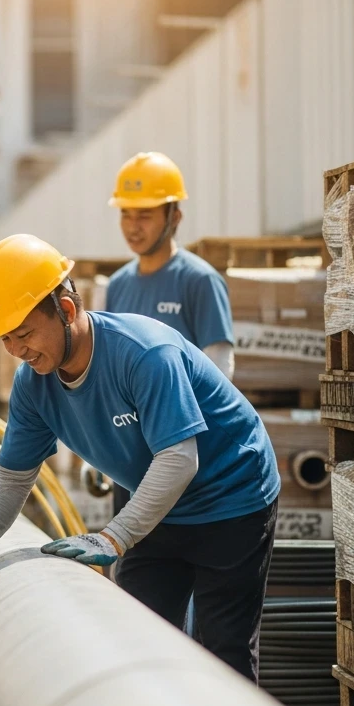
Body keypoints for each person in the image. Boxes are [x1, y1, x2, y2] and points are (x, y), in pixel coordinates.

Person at [0, 234, 279, 683]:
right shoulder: (34, 384)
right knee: (137, 641)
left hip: (231, 498)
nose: (16, 350)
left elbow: (179, 458)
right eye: (5, 339)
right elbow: (12, 475)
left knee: (222, 654)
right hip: (156, 506)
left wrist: (112, 538)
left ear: (67, 310)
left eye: (23, 333)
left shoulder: (144, 354)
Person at [103, 151, 234, 520]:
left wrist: (180, 439)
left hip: (181, 458)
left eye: (144, 214)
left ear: (174, 216)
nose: (132, 225)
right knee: (125, 569)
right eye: (126, 213)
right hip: (129, 459)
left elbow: (220, 368)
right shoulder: (117, 286)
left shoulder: (200, 281)